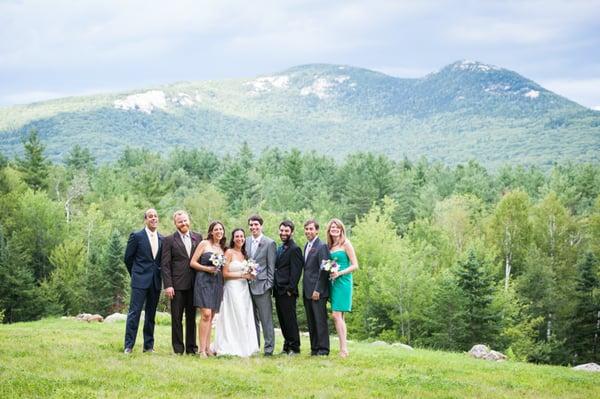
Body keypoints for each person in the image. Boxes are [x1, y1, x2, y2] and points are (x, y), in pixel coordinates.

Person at [213, 228, 259, 357]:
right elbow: (225, 273)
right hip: (232, 288)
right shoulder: (229, 252)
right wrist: (243, 275)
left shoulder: (245, 254)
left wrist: (251, 274)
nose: (240, 239)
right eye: (237, 236)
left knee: (244, 315)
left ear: (245, 238)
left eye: (242, 236)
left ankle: (243, 345)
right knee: (233, 315)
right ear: (233, 239)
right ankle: (229, 344)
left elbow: (248, 272)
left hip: (244, 289)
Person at [161, 210, 201, 355]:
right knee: (176, 319)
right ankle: (178, 349)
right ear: (175, 224)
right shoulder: (169, 240)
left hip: (194, 284)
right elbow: (165, 264)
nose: (183, 223)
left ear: (189, 220)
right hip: (176, 286)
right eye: (180, 221)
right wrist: (168, 285)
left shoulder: (198, 237)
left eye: (185, 220)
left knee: (191, 318)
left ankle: (192, 349)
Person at [123, 208, 163, 354]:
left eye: (155, 216)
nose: (153, 218)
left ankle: (148, 346)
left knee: (151, 315)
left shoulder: (162, 239)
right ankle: (128, 346)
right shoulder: (137, 236)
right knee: (134, 313)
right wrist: (135, 274)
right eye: (150, 216)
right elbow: (128, 258)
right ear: (145, 220)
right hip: (139, 280)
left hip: (155, 282)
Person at [190, 221, 226, 357]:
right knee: (205, 314)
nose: (219, 232)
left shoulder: (222, 249)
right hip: (203, 281)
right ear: (211, 232)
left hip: (217, 283)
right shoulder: (204, 244)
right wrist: (207, 268)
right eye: (216, 229)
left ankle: (207, 348)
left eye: (221, 229)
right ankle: (201, 350)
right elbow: (192, 262)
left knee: (211, 316)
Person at [326, 218, 359, 358]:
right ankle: (343, 348)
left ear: (341, 229)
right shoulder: (330, 246)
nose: (334, 229)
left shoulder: (346, 244)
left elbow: (355, 265)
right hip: (333, 282)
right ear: (329, 230)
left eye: (337, 227)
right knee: (339, 316)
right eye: (332, 227)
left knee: (336, 314)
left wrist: (339, 273)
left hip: (343, 281)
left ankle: (344, 349)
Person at [245, 214, 277, 356]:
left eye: (256, 225)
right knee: (252, 319)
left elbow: (271, 266)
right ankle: (255, 346)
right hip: (246, 286)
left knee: (266, 319)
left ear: (261, 226)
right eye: (251, 225)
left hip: (262, 286)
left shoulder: (269, 243)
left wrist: (268, 285)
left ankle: (269, 349)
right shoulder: (245, 241)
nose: (253, 227)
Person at [273, 220, 303, 355]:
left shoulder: (295, 249)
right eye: (282, 230)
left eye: (286, 231)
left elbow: (296, 272)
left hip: (288, 291)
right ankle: (287, 346)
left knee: (290, 319)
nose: (283, 233)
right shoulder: (280, 248)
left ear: (291, 232)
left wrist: (290, 289)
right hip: (278, 290)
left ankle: (295, 347)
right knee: (283, 320)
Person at [303, 219, 331, 356]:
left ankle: (323, 349)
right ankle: (314, 349)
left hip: (317, 291)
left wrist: (318, 289)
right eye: (306, 229)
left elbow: (325, 269)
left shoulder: (322, 246)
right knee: (311, 321)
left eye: (311, 229)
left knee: (320, 321)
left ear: (317, 230)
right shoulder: (306, 246)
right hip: (307, 290)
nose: (308, 231)